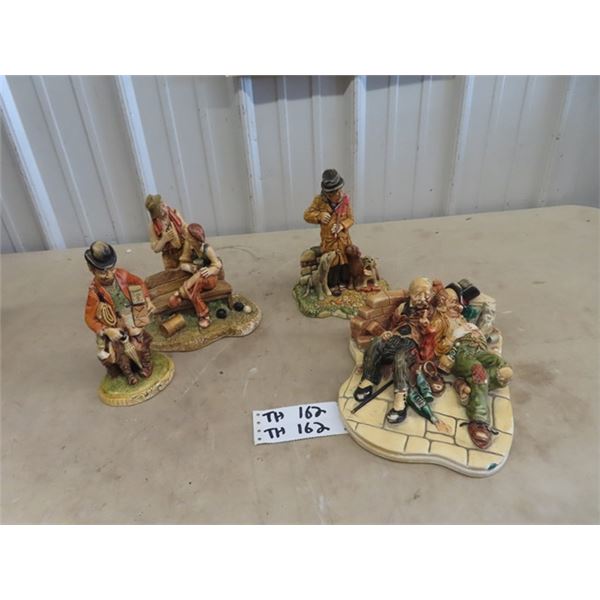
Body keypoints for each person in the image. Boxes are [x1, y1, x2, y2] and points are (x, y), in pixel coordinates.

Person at [354, 277, 449, 431]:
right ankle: (369, 378)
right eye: (418, 295)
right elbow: (394, 323)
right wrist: (388, 333)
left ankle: (400, 396)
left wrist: (426, 327)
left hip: (412, 343)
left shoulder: (431, 312)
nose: (422, 299)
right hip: (397, 337)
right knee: (377, 342)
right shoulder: (402, 307)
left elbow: (433, 334)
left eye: (426, 295)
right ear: (411, 294)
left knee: (401, 357)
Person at [436, 287, 513, 449]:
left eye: (457, 302)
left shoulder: (463, 318)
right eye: (452, 302)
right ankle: (479, 420)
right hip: (461, 352)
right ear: (442, 305)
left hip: (478, 349)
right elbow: (437, 347)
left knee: (502, 367)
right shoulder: (441, 321)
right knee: (478, 371)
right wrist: (451, 338)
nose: (457, 306)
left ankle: (466, 385)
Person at [84, 241, 155, 385]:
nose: (109, 274)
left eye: (111, 269)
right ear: (92, 270)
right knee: (120, 352)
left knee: (140, 343)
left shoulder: (121, 274)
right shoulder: (94, 293)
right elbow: (89, 318)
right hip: (115, 324)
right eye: (102, 272)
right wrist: (106, 330)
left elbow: (139, 282)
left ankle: (147, 365)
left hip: (131, 316)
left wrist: (147, 299)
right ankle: (129, 374)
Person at [303, 169, 354, 296]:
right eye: (334, 193)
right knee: (332, 262)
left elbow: (351, 219)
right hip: (329, 240)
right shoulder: (319, 201)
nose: (338, 194)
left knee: (344, 261)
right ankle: (333, 284)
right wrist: (319, 216)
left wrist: (342, 226)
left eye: (339, 191)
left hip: (343, 239)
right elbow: (307, 215)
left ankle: (344, 281)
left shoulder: (345, 200)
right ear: (327, 193)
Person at [167, 223, 222, 329]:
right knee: (194, 291)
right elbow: (183, 264)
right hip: (197, 279)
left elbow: (218, 264)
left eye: (189, 237)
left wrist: (210, 270)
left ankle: (181, 292)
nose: (187, 238)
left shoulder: (207, 249)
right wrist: (190, 268)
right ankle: (204, 315)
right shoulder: (190, 247)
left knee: (199, 277)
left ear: (196, 238)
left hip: (210, 279)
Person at [145, 194, 188, 270]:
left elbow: (185, 228)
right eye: (161, 211)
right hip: (170, 256)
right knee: (173, 274)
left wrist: (184, 231)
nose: (165, 210)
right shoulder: (152, 226)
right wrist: (164, 239)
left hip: (184, 250)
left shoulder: (175, 213)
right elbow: (156, 249)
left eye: (164, 206)